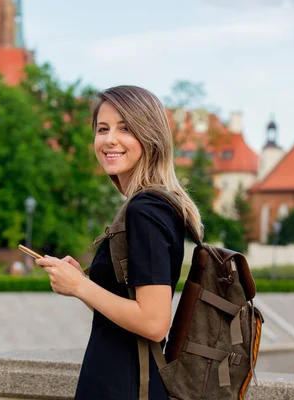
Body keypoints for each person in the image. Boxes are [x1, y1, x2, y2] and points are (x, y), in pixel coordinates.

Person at [35, 86, 203, 399]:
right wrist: (82, 283)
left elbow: (154, 322)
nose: (110, 139)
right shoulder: (148, 206)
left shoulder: (147, 210)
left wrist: (79, 287)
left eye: (125, 128)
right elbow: (127, 309)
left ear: (149, 136)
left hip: (127, 387)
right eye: (103, 129)